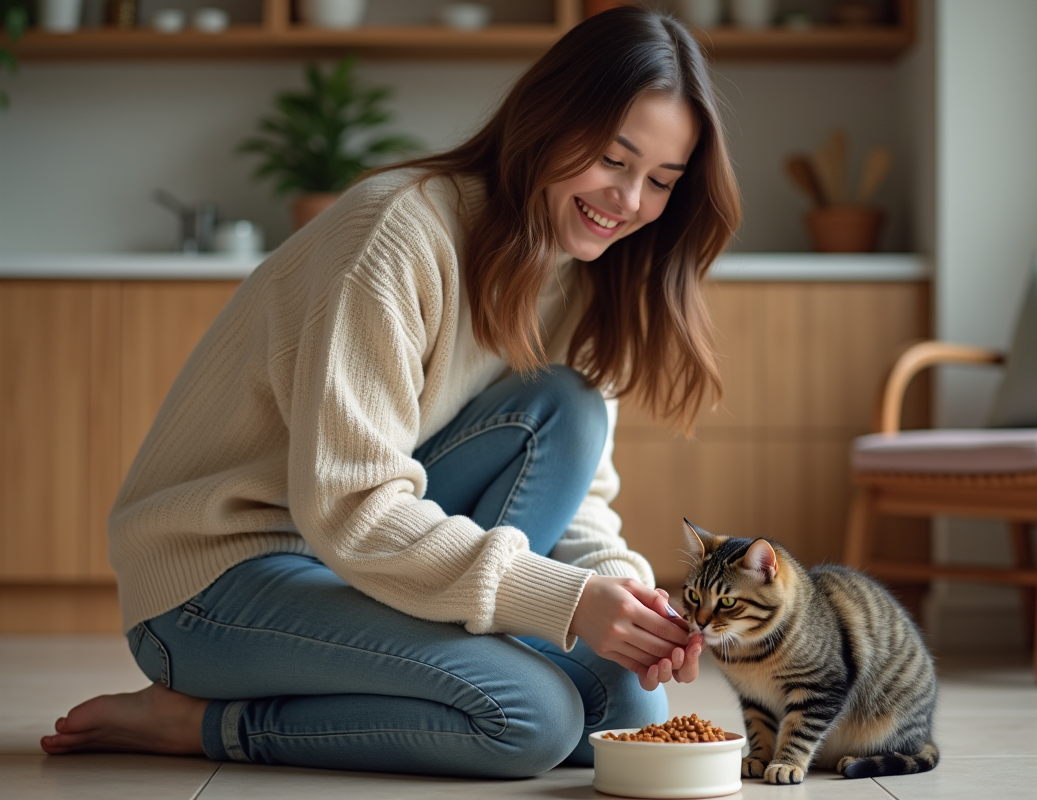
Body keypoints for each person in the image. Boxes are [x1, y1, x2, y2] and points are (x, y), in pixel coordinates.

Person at [40, 6, 741, 778]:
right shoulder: (397, 234)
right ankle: (203, 723)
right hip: (219, 583)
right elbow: (349, 505)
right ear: (551, 119)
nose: (630, 201)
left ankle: (437, 664)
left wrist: (627, 600)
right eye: (614, 159)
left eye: (661, 182)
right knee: (531, 720)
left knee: (627, 706)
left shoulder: (592, 278)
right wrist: (565, 604)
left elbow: (577, 500)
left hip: (360, 566)